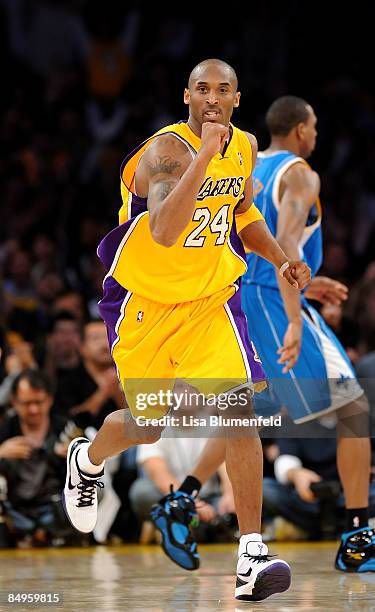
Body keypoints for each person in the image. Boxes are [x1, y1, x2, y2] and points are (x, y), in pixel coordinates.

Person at [62, 60, 310, 602]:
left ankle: (250, 552)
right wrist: (205, 153)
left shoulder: (242, 147)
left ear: (237, 98)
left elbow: (243, 214)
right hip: (146, 303)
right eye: (203, 89)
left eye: (223, 90)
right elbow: (166, 230)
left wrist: (281, 257)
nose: (213, 98)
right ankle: (86, 458)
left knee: (237, 407)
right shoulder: (166, 152)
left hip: (210, 301)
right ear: (187, 97)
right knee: (148, 426)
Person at [174, 96, 374, 574]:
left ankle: (181, 499)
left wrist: (309, 278)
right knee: (352, 409)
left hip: (239, 297)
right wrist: (291, 316)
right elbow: (283, 242)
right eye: (316, 126)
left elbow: (251, 238)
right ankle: (358, 534)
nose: (317, 135)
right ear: (302, 130)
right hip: (271, 300)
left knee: (249, 416)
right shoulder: (301, 173)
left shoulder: (247, 164)